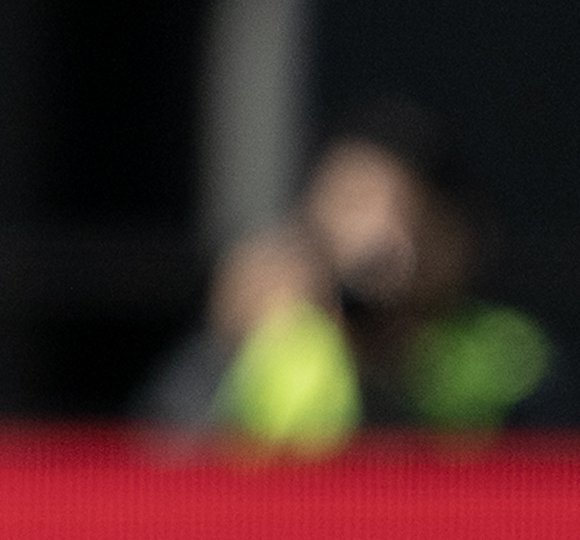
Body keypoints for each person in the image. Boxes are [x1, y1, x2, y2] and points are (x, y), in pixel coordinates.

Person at [139, 101, 552, 443]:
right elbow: (162, 465)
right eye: (356, 205)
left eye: (409, 213)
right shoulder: (267, 338)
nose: (381, 240)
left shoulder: (509, 357)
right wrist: (224, 345)